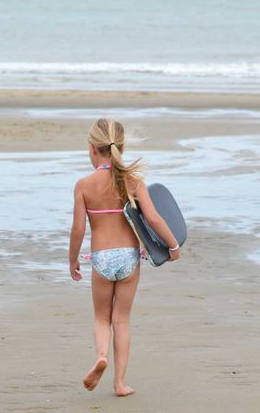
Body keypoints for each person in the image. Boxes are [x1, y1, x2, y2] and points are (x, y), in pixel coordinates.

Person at [69, 118, 180, 397]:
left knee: (101, 318)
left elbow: (78, 229)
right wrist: (173, 245)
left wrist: (73, 260)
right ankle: (120, 383)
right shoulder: (133, 182)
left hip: (101, 258)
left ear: (92, 149)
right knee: (121, 320)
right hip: (129, 258)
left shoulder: (83, 185)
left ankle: (101, 356)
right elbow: (154, 219)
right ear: (121, 148)